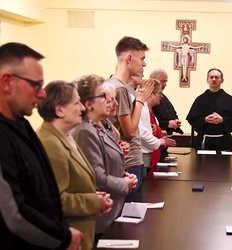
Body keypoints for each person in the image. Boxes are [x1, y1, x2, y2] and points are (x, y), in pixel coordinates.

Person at [0, 42, 82, 250]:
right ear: (7, 82)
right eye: (36, 85)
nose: (42, 94)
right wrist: (63, 237)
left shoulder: (21, 124)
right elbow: (13, 214)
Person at [36, 81, 113, 250]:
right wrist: (94, 202)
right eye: (76, 103)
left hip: (82, 232)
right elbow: (57, 200)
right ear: (59, 110)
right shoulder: (49, 144)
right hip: (67, 237)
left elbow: (76, 183)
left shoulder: (65, 136)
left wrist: (95, 196)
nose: (83, 108)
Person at [72, 75, 137, 242]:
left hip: (112, 210)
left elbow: (107, 162)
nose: (111, 102)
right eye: (104, 96)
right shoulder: (85, 130)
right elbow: (96, 177)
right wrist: (124, 184)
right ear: (89, 104)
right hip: (101, 216)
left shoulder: (101, 127)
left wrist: (122, 175)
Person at [106, 36, 153, 192]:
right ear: (129, 58)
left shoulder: (113, 84)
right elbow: (130, 131)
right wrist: (140, 101)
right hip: (129, 161)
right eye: (142, 59)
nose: (144, 64)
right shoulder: (119, 89)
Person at [186, 68, 232, 150]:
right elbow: (191, 119)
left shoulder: (228, 99)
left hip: (223, 141)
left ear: (222, 80)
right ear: (207, 80)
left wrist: (222, 120)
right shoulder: (200, 99)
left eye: (217, 77)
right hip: (204, 141)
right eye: (211, 77)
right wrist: (204, 120)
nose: (214, 79)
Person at [139, 79, 177, 171]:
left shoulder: (150, 111)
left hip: (152, 160)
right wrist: (161, 141)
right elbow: (142, 133)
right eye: (159, 93)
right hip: (145, 159)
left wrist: (161, 134)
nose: (162, 96)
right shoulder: (141, 109)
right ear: (151, 94)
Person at [150, 68, 183, 158]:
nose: (165, 84)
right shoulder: (148, 99)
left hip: (163, 142)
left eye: (166, 82)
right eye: (163, 81)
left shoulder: (164, 97)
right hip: (154, 144)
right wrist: (167, 124)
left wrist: (176, 122)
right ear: (153, 79)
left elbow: (172, 113)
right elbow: (150, 122)